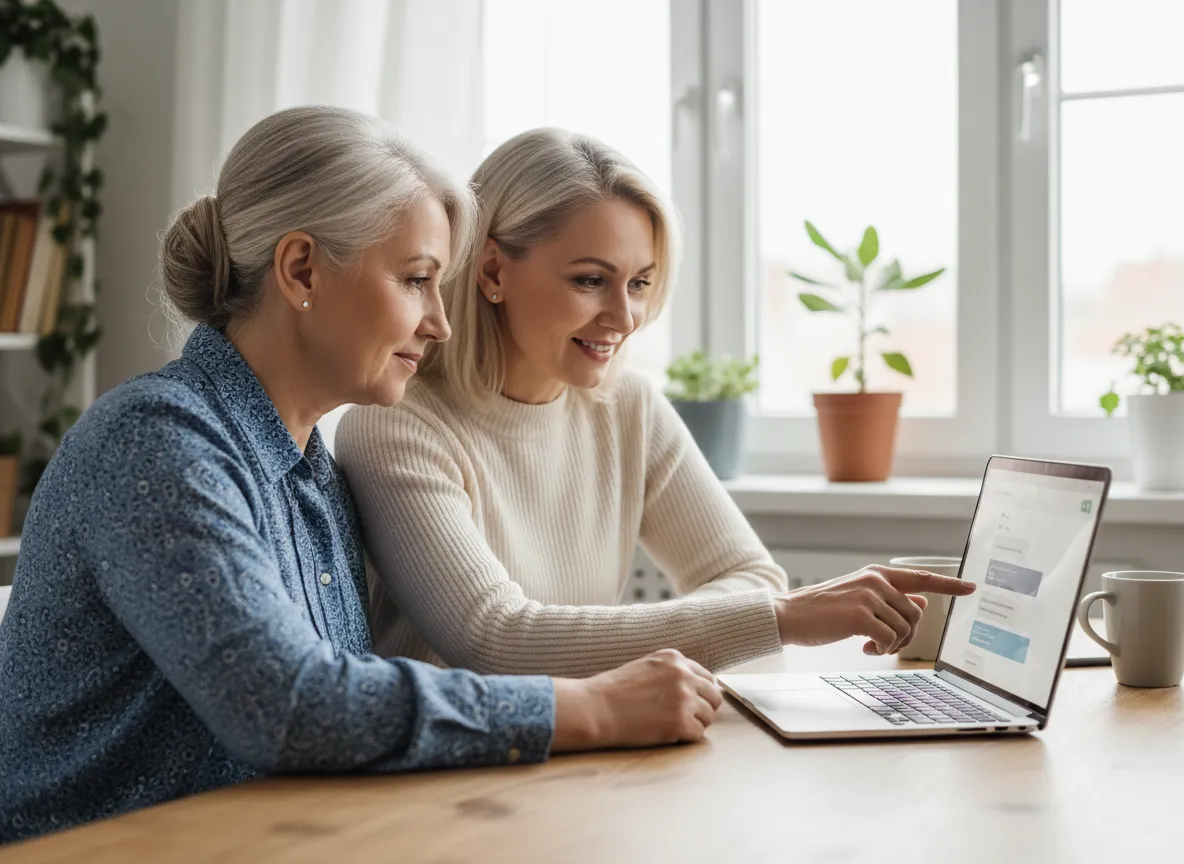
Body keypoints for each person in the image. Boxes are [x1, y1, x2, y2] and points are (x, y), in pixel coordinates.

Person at [0, 108, 724, 844]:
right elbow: (291, 706)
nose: (440, 322)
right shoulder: (156, 442)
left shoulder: (312, 473)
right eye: (416, 280)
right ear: (301, 270)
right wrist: (593, 708)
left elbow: (341, 711)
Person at [335, 128, 975, 679]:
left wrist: (664, 635)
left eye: (639, 283)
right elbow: (495, 640)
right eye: (590, 280)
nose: (624, 318)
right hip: (455, 767)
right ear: (493, 271)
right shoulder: (395, 426)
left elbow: (749, 576)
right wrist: (781, 620)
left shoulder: (627, 407)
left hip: (588, 746)